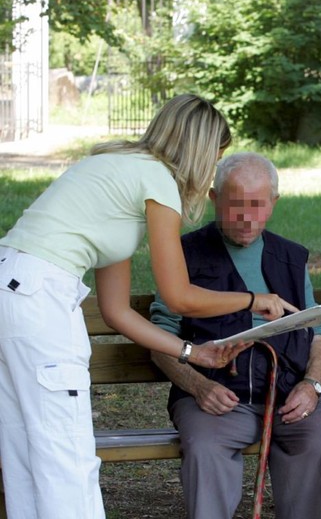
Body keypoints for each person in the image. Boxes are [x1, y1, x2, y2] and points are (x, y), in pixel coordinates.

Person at [0, 94, 295, 519]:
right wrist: (254, 299)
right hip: (39, 300)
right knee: (67, 453)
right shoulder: (157, 181)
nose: (212, 165)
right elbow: (178, 296)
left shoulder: (117, 173)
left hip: (15, 291)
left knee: (26, 448)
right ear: (201, 149)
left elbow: (117, 311)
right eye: (216, 154)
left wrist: (191, 353)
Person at [150, 152, 321, 519]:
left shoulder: (291, 257)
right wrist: (198, 386)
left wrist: (311, 385)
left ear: (274, 203)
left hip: (286, 393)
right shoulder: (183, 255)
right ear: (214, 199)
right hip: (216, 394)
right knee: (205, 446)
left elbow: (316, 334)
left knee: (317, 443)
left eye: (258, 206)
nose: (249, 219)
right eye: (237, 206)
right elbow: (160, 342)